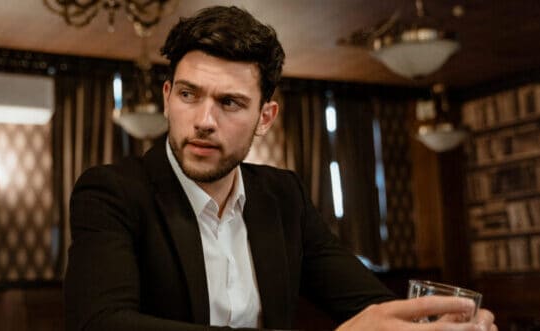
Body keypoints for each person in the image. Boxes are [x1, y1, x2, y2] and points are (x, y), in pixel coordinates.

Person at [64, 5, 497, 331]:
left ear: (265, 118)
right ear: (166, 97)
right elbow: (103, 323)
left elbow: (367, 304)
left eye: (229, 102)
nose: (203, 120)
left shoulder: (282, 195)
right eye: (188, 95)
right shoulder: (111, 193)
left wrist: (431, 324)